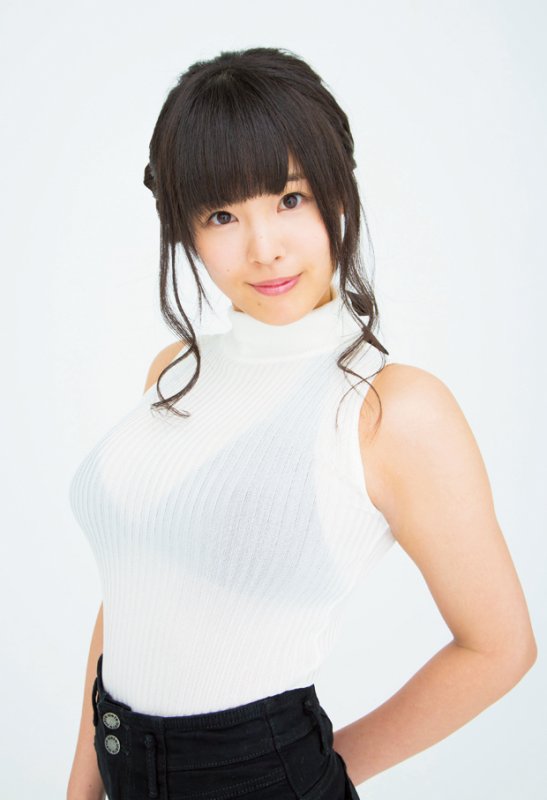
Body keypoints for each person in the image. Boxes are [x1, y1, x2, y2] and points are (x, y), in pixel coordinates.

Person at [66, 47, 537, 800]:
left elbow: (499, 648)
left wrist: (313, 771)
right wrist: (80, 790)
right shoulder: (172, 372)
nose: (265, 249)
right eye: (223, 215)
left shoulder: (389, 409)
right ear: (186, 229)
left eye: (290, 198)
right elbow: (131, 586)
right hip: (117, 758)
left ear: (337, 190)